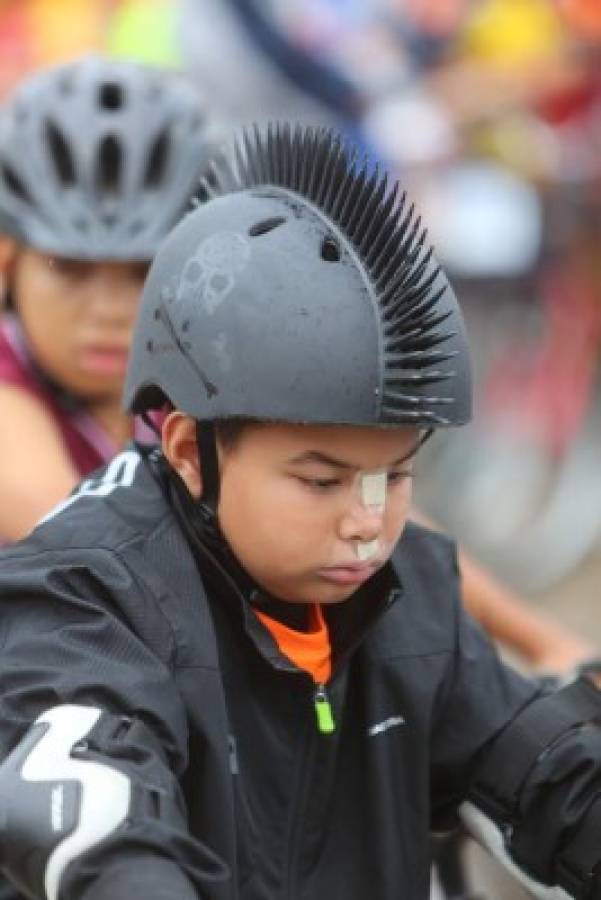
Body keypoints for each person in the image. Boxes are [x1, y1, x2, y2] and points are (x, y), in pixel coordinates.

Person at [1, 124, 601, 900]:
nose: (367, 523)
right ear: (189, 450)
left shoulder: (411, 596)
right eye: (321, 481)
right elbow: (87, 810)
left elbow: (551, 782)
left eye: (396, 474)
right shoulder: (83, 597)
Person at [0, 55, 220, 542]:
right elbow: (80, 547)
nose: (112, 310)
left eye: (147, 270)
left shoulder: (207, 365)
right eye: (70, 267)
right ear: (8, 260)